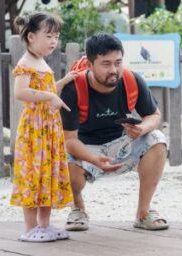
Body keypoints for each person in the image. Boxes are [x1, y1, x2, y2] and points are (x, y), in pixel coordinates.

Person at [60, 33, 169, 232]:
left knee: (157, 139)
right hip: (85, 149)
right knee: (63, 156)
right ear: (90, 64)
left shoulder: (131, 80)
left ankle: (143, 213)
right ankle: (78, 209)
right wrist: (93, 158)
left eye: (118, 62)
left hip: (121, 145)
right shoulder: (73, 88)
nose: (114, 70)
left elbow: (154, 115)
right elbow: (69, 140)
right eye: (106, 64)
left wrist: (141, 129)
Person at [11, 13, 76, 242]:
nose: (53, 41)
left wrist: (64, 81)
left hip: (47, 127)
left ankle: (44, 225)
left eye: (56, 36)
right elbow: (21, 93)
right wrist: (49, 96)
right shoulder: (25, 63)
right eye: (48, 36)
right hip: (34, 129)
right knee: (33, 173)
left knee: (46, 172)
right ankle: (30, 228)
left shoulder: (41, 62)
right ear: (31, 36)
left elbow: (46, 90)